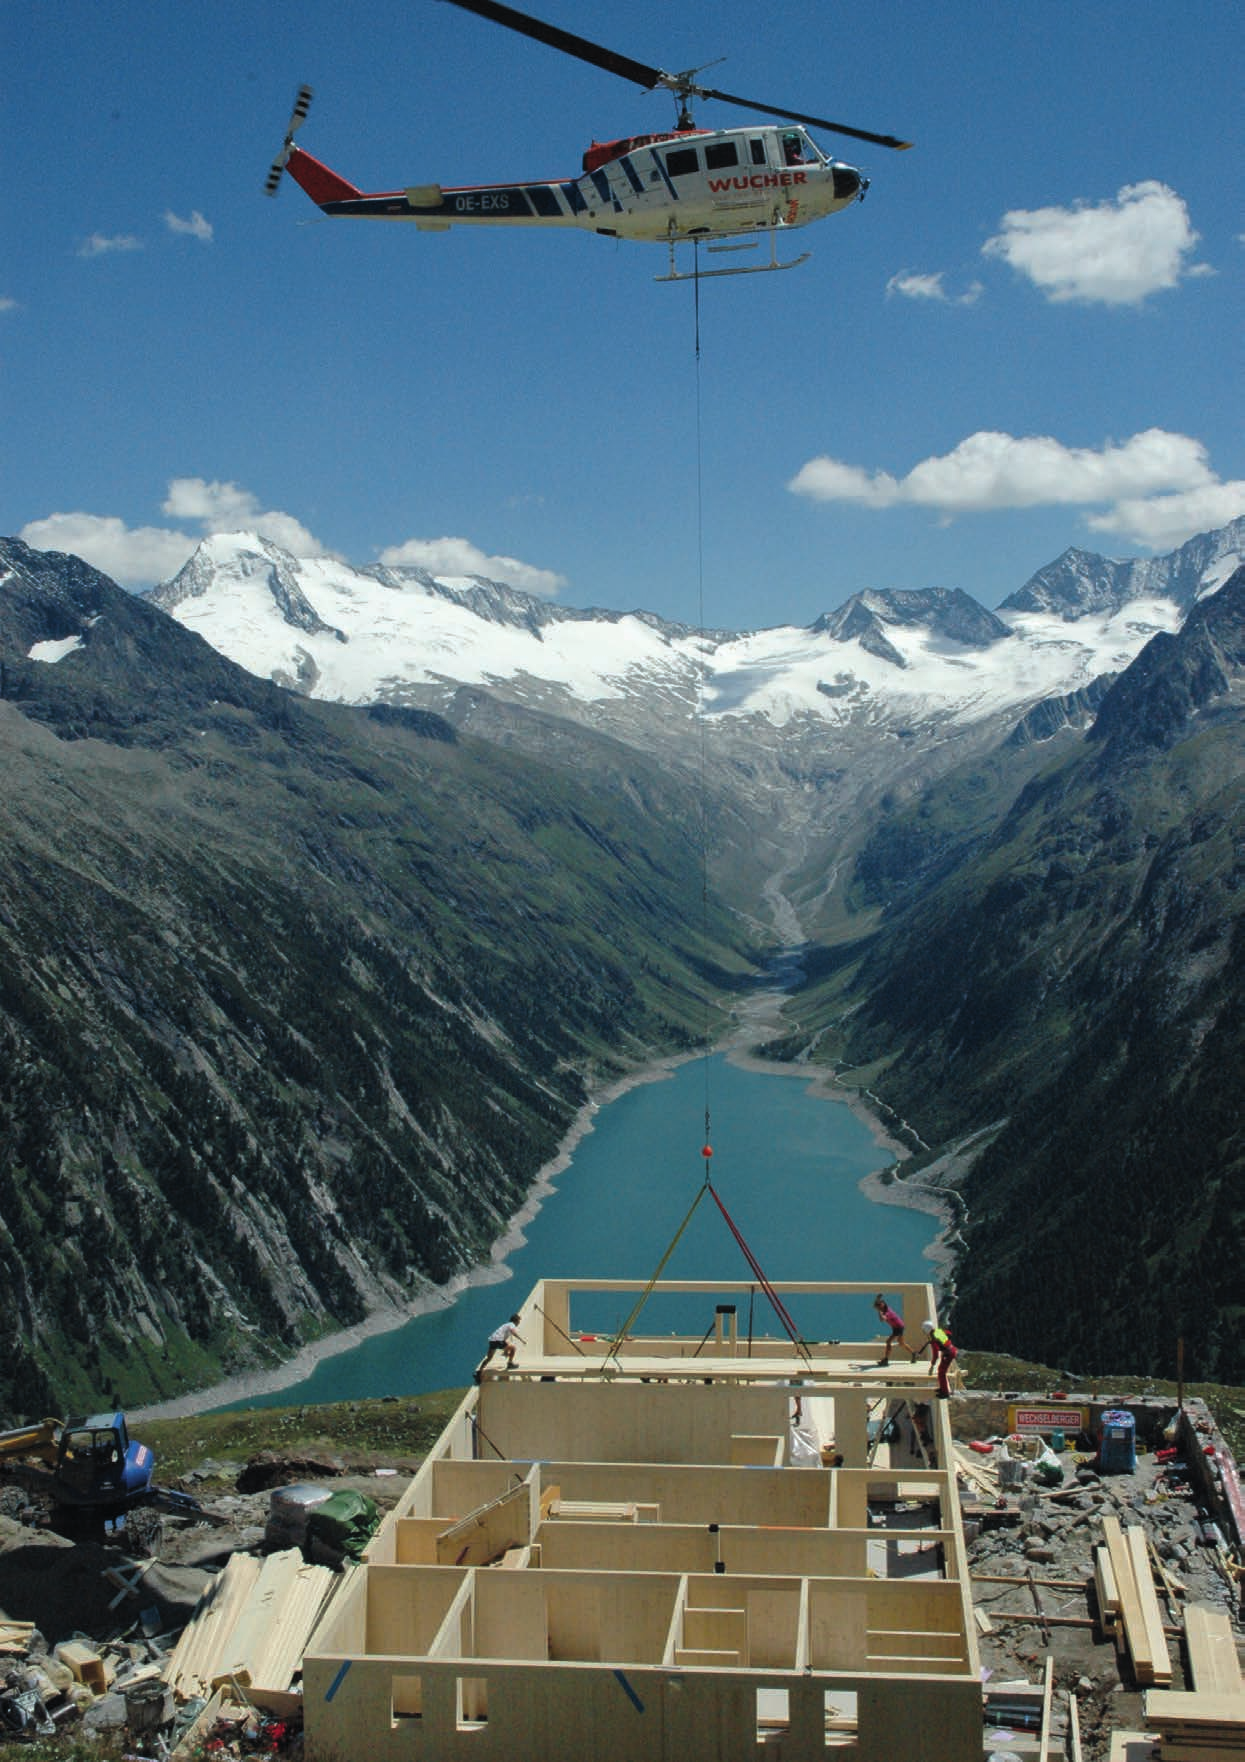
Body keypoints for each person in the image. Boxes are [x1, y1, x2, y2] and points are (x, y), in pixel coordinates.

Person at [476, 1313, 524, 1381]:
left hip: (492, 1340)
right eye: (518, 1321)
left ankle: (479, 1372)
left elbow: (504, 1341)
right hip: (498, 1340)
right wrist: (521, 1339)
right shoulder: (512, 1324)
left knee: (489, 1358)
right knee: (513, 1348)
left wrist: (506, 1351)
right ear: (515, 1321)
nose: (519, 1323)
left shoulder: (506, 1325)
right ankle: (510, 1364)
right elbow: (513, 1332)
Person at [921, 1319, 958, 1399]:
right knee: (941, 1371)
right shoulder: (938, 1331)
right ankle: (943, 1388)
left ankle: (945, 1393)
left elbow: (935, 1354)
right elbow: (949, 1334)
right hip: (950, 1351)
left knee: (941, 1373)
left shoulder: (934, 1339)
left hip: (948, 1354)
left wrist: (932, 1364)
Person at [872, 1293, 908, 1365]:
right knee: (901, 1343)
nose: (881, 1306)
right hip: (897, 1327)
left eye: (881, 1305)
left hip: (898, 1327)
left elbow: (882, 1319)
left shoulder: (887, 1313)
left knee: (888, 1342)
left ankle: (886, 1360)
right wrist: (877, 1299)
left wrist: (879, 1311)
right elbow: (875, 1305)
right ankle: (914, 1354)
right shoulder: (886, 1308)